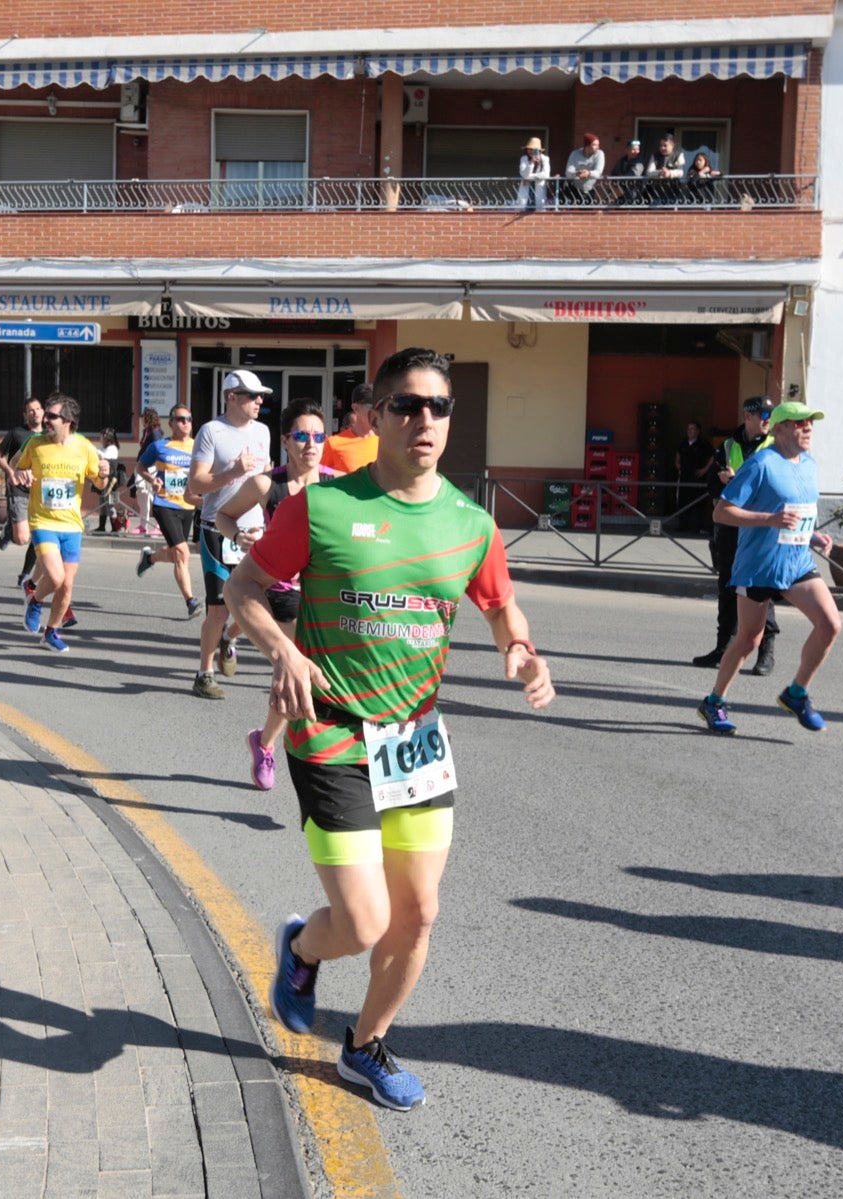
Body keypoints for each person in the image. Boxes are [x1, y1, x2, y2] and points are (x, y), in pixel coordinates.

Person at [226, 347, 555, 1112]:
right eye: (407, 405)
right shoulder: (323, 507)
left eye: (438, 407)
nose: (425, 420)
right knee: (365, 920)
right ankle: (304, 948)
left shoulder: (471, 524)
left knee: (419, 913)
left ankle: (365, 1044)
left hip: (415, 740)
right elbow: (245, 585)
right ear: (374, 417)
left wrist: (521, 651)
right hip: (332, 734)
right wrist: (283, 648)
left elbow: (501, 605)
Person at [213, 399, 337, 791]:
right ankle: (269, 747)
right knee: (292, 670)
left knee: (303, 668)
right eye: (301, 435)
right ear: (286, 440)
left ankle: (232, 637)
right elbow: (222, 515)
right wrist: (239, 536)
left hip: (322, 596)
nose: (310, 444)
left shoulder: (339, 486)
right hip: (279, 589)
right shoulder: (268, 484)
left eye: (318, 436)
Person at [697, 401, 840, 735]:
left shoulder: (809, 464)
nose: (808, 428)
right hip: (759, 565)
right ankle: (714, 701)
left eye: (810, 422)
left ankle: (796, 693)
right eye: (799, 422)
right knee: (748, 639)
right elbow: (722, 512)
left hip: (797, 562)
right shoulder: (761, 464)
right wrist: (770, 520)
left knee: (830, 624)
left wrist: (812, 534)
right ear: (779, 429)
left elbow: (797, 508)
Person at [188, 370, 273, 700]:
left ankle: (230, 637)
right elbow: (196, 484)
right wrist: (233, 472)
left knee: (259, 604)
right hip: (217, 530)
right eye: (252, 396)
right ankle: (204, 673)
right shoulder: (211, 431)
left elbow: (265, 478)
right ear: (232, 397)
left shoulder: (264, 432)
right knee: (219, 609)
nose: (259, 401)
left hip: (256, 532)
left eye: (260, 395)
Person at [9, 393, 108, 653]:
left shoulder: (85, 447)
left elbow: (99, 483)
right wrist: (20, 472)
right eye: (47, 415)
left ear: (68, 421)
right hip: (43, 520)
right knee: (54, 576)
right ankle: (35, 599)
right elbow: (13, 466)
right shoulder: (35, 443)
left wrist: (104, 476)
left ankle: (51, 631)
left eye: (52, 416)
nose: (46, 420)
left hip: (72, 525)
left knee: (67, 585)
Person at [693, 396, 782, 673]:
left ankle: (766, 653)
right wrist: (721, 483)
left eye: (771, 417)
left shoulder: (775, 448)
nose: (769, 421)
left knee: (760, 589)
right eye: (764, 416)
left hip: (758, 530)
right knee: (728, 587)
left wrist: (738, 483)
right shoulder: (728, 447)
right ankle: (723, 647)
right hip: (730, 529)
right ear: (749, 416)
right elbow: (710, 487)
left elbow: (779, 487)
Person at [135, 405, 203, 618]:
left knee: (176, 553)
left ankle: (150, 559)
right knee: (183, 552)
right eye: (181, 419)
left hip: (188, 506)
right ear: (171, 423)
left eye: (189, 419)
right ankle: (191, 601)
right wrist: (151, 479)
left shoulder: (198, 447)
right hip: (165, 505)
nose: (186, 423)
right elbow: (140, 468)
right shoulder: (159, 446)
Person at [0, 397, 44, 553]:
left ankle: (29, 571)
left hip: (40, 489)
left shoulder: (49, 434)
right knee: (22, 538)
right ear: (25, 414)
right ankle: (10, 527)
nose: (35, 413)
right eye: (31, 410)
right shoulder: (17, 433)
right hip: (18, 487)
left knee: (39, 532)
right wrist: (10, 472)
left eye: (37, 409)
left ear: (43, 411)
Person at [321, 384, 378, 474]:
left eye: (379, 407)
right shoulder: (334, 443)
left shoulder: (386, 442)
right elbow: (320, 473)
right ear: (356, 408)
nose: (377, 412)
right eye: (371, 407)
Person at [674, 420, 717, 534]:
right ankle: (682, 525)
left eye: (692, 429)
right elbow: (678, 453)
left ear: (698, 431)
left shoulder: (703, 443)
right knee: (683, 501)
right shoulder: (684, 442)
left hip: (697, 476)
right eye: (688, 429)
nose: (690, 431)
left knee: (697, 503)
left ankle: (696, 527)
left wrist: (704, 470)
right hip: (684, 476)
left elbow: (713, 457)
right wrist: (677, 463)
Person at [133, 407, 163, 534]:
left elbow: (157, 450)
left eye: (143, 417)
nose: (141, 419)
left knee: (152, 495)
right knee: (142, 495)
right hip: (142, 465)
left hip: (150, 467)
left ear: (148, 418)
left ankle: (158, 525)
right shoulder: (147, 431)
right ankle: (143, 525)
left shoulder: (156, 432)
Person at [93, 429, 123, 534]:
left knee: (111, 503)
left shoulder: (113, 448)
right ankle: (101, 526)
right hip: (103, 479)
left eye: (101, 436)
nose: (100, 438)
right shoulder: (104, 448)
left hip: (112, 481)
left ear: (107, 438)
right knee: (102, 503)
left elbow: (104, 457)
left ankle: (115, 528)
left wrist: (95, 451)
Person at [562, 132, 606, 205]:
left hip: (590, 189)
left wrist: (588, 173)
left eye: (598, 145)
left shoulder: (600, 154)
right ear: (587, 145)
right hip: (574, 189)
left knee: (587, 214)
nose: (598, 147)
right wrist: (577, 173)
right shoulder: (575, 154)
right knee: (572, 214)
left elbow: (599, 172)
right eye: (595, 145)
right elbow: (568, 172)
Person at [515, 137, 551, 212]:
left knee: (538, 213)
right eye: (528, 149)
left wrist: (528, 177)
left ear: (538, 150)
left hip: (538, 189)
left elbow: (546, 174)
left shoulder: (545, 159)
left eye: (533, 149)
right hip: (526, 190)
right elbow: (523, 174)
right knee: (522, 210)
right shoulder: (524, 159)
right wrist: (531, 163)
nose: (530, 151)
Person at [610, 137, 646, 207]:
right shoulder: (622, 161)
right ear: (627, 150)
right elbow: (613, 174)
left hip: (634, 195)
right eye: (633, 149)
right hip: (620, 194)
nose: (636, 152)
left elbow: (632, 175)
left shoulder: (639, 162)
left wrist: (619, 179)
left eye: (638, 149)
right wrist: (616, 187)